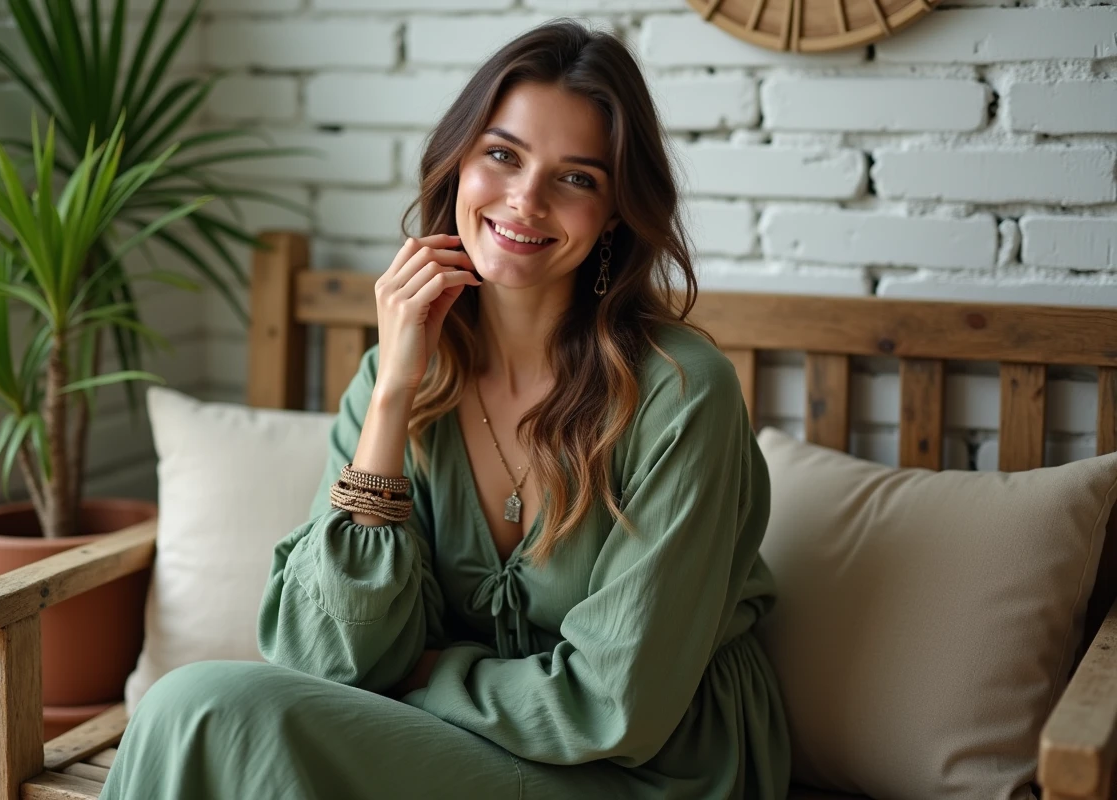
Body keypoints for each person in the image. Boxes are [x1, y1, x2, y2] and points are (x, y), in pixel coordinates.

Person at [100, 18, 791, 800]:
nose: (525, 200)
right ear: (458, 164)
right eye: (502, 155)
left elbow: (618, 706)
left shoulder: (680, 392)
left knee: (205, 713)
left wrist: (424, 673)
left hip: (646, 772)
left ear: (615, 214)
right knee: (194, 712)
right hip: (466, 746)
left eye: (576, 178)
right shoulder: (402, 372)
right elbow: (329, 658)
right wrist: (394, 391)